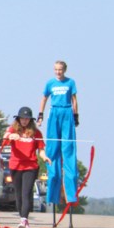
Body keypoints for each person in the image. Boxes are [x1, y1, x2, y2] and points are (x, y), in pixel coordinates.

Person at [37, 60, 79, 206]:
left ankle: (71, 194)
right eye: (56, 69)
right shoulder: (50, 83)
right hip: (54, 112)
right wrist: (40, 115)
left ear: (64, 70)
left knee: (67, 148)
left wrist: (76, 115)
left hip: (67, 111)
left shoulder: (70, 82)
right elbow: (44, 98)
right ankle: (53, 192)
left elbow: (74, 100)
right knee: (53, 149)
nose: (58, 72)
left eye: (60, 69)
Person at [3, 107, 51, 228]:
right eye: (22, 118)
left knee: (26, 193)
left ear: (30, 120)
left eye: (27, 118)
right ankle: (23, 219)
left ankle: (23, 220)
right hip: (15, 166)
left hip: (30, 166)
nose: (24, 121)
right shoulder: (12, 129)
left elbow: (41, 149)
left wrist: (44, 157)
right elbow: (5, 137)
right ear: (18, 119)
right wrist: (11, 136)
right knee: (18, 195)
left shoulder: (36, 133)